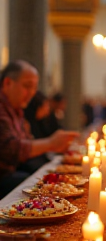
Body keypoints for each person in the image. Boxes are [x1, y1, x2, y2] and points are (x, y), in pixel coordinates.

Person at [0, 60, 79, 198]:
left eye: (35, 87)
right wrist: (50, 143)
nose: (31, 93)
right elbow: (10, 149)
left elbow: (26, 142)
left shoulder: (16, 110)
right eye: (27, 86)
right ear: (7, 83)